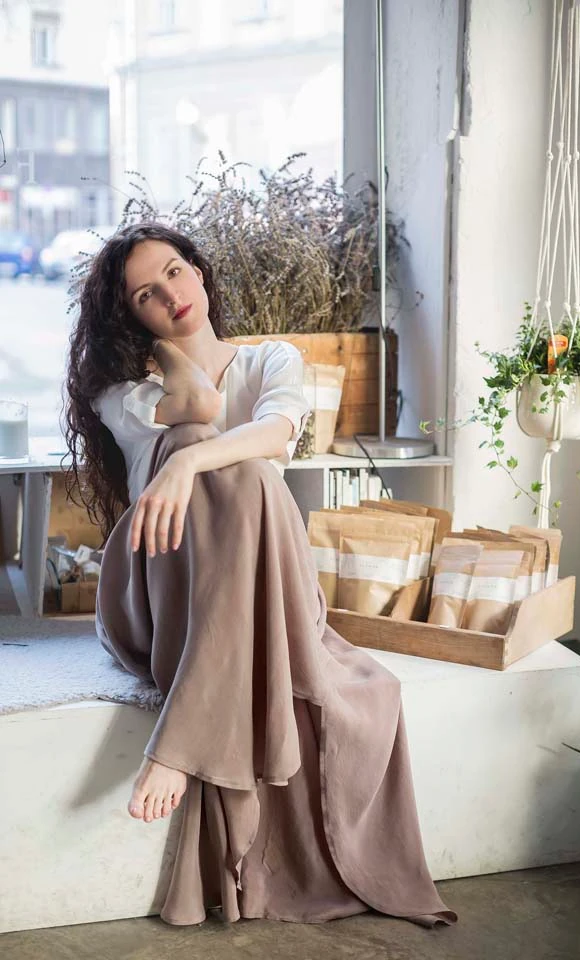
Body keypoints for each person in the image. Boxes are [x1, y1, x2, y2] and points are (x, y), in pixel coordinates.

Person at [64, 222, 457, 928]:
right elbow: (198, 409)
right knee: (198, 440)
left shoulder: (273, 358)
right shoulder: (123, 390)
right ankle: (187, 740)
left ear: (199, 270)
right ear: (130, 317)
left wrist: (191, 462)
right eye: (146, 296)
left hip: (269, 591)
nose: (171, 296)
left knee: (238, 471)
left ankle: (180, 745)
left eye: (175, 271)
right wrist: (170, 368)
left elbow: (277, 432)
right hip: (163, 592)